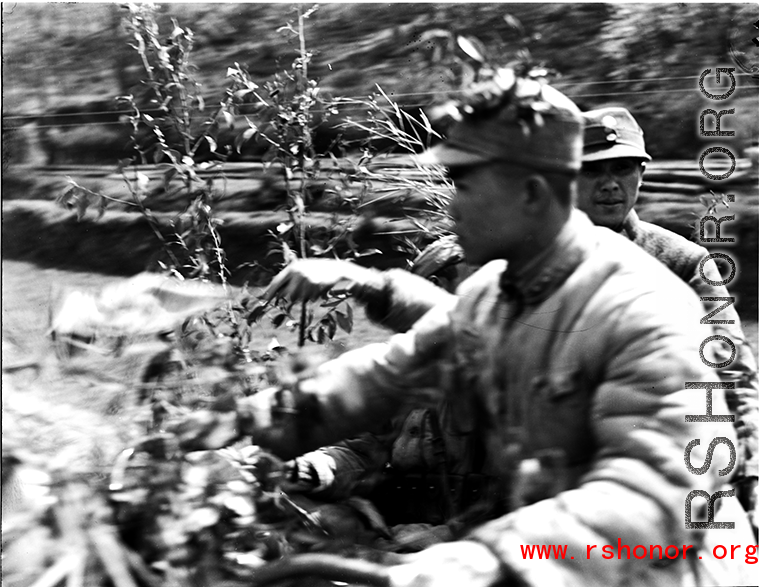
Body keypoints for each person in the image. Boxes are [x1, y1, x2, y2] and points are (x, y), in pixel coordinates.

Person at [178, 67, 755, 586]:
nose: (452, 207)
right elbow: (389, 375)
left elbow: (656, 492)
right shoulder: (496, 291)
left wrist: (488, 559)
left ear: (532, 194)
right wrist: (250, 422)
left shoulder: (639, 308)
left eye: (468, 187)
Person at [266, 107, 759, 529]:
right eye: (595, 171)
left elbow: (730, 371)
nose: (611, 183)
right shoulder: (515, 262)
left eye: (625, 168)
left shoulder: (677, 263)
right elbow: (442, 339)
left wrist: (750, 470)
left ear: (642, 175)